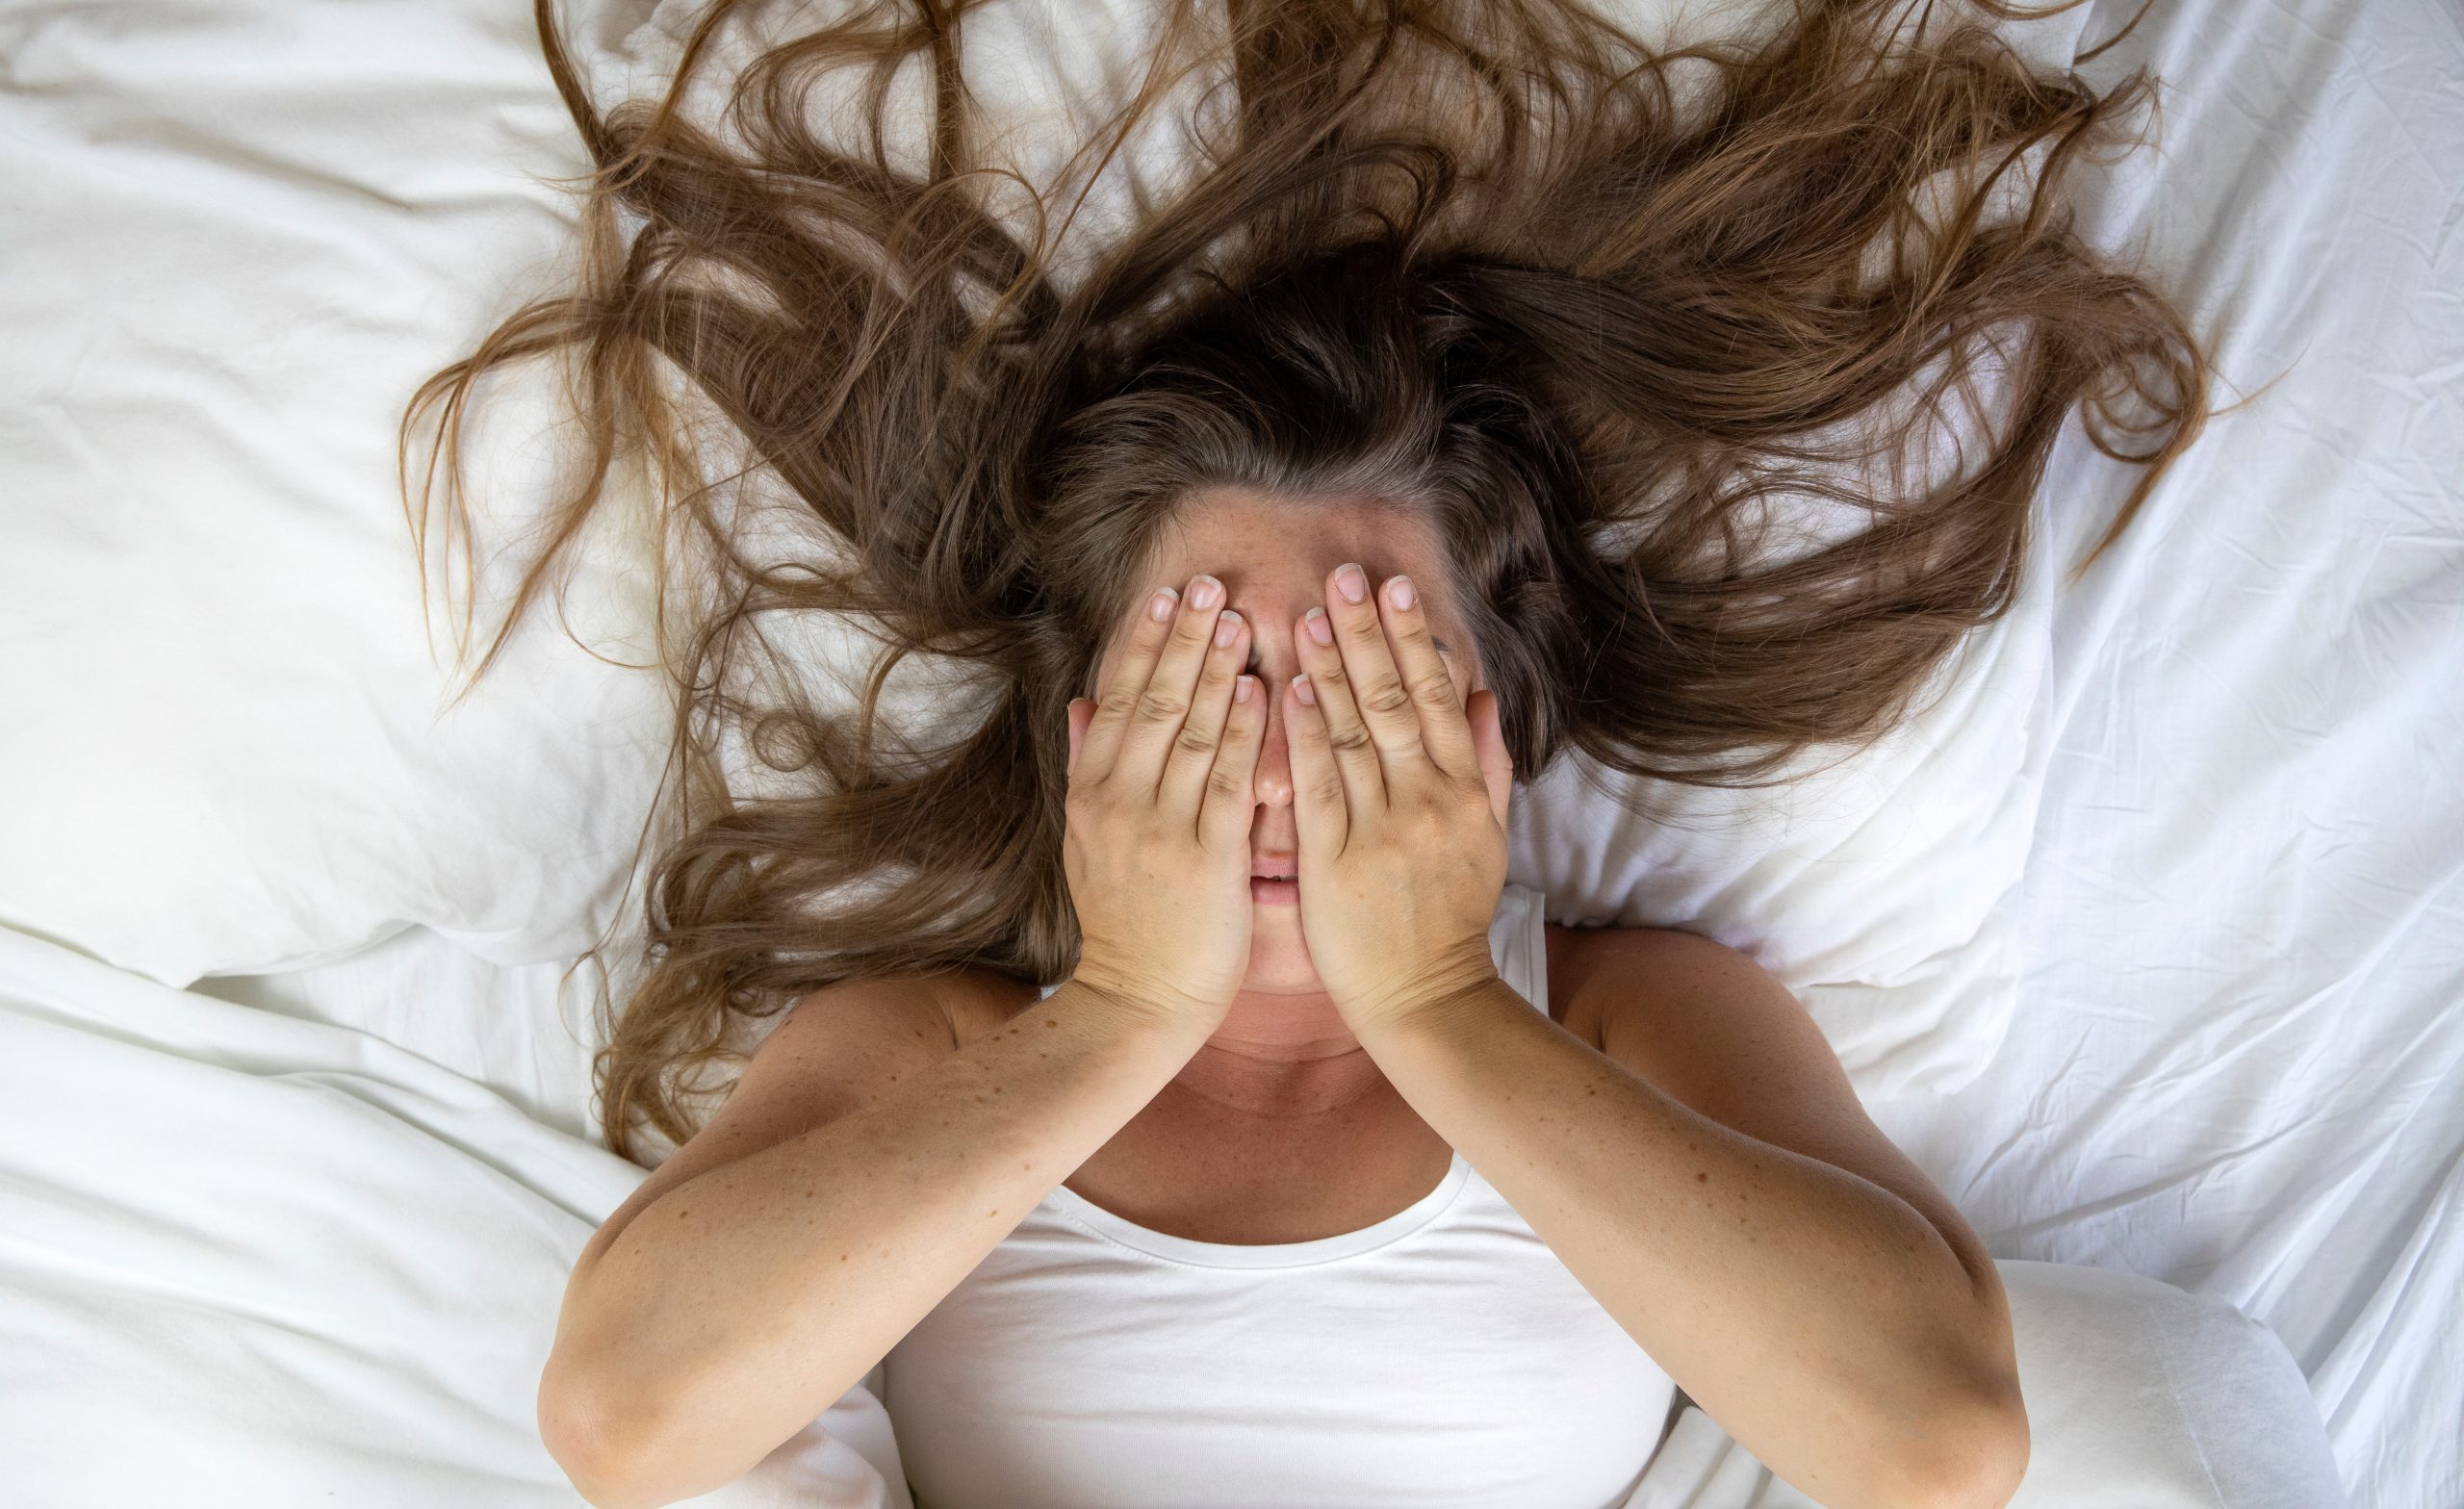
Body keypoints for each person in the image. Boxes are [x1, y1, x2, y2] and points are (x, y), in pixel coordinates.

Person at [399, 1, 2219, 1505]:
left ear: (1488, 732)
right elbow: (633, 1423)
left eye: (1366, 676)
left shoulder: (1626, 1020)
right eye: (1211, 677)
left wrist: (1435, 995)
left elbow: (1936, 1441)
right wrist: (1119, 1013)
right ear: (1088, 736)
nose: (1278, 761)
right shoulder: (933, 1049)